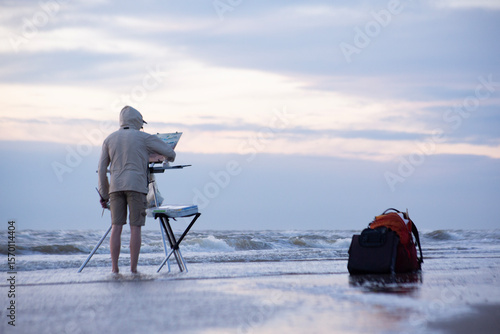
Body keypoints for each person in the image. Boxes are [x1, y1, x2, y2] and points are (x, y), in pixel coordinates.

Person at [98, 106, 176, 273]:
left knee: (116, 227)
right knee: (135, 228)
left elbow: (101, 167)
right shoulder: (144, 137)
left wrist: (104, 195)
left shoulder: (109, 139)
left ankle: (114, 269)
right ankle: (133, 269)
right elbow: (170, 152)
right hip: (137, 186)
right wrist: (163, 157)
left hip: (116, 187)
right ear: (138, 122)